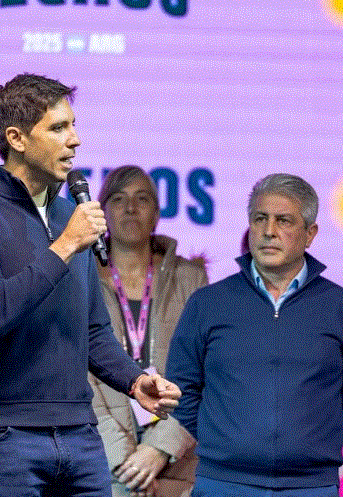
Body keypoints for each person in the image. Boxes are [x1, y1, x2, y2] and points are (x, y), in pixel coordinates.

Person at [0, 73, 181, 497]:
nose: (75, 140)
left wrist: (134, 381)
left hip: (80, 433)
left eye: (74, 125)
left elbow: (92, 330)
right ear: (17, 138)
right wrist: (65, 245)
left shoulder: (69, 215)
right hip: (3, 436)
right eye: (59, 128)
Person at [167, 173, 343, 497]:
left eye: (283, 221)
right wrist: (222, 440)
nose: (269, 231)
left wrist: (313, 444)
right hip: (223, 484)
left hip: (310, 486)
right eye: (260, 219)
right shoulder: (208, 303)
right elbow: (182, 386)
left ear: (310, 234)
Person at [89, 165, 208, 497]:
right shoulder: (80, 279)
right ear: (103, 212)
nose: (130, 208)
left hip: (179, 458)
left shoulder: (190, 279)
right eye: (118, 199)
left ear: (156, 214)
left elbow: (204, 373)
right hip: (105, 461)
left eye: (142, 199)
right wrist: (127, 464)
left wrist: (160, 449)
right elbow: (76, 375)